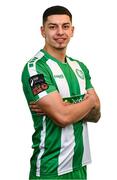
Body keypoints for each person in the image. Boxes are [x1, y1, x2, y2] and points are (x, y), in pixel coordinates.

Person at [21, 5, 101, 180]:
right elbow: (63, 117)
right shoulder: (36, 68)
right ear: (43, 31)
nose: (60, 32)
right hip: (50, 169)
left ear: (72, 31)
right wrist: (89, 101)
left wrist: (67, 106)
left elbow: (96, 115)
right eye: (52, 27)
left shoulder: (80, 67)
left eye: (65, 26)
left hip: (79, 166)